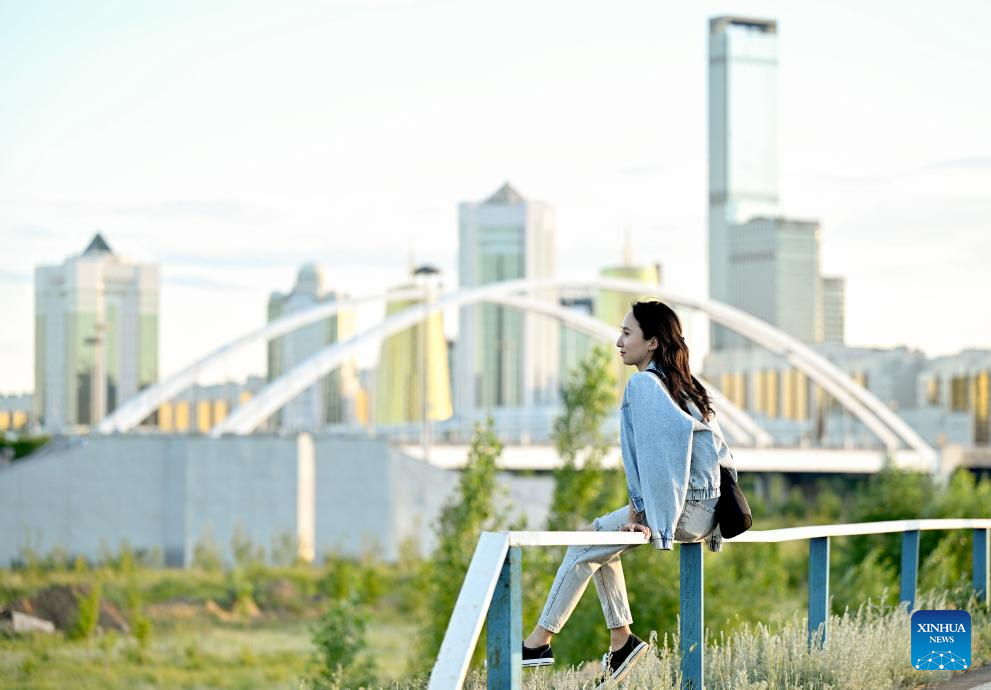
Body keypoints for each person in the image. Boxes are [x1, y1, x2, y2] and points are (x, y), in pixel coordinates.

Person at [520, 299, 737, 685]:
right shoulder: (683, 383)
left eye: (627, 333)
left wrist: (651, 517)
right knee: (603, 541)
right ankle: (621, 642)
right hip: (704, 507)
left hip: (681, 508)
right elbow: (717, 451)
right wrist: (643, 512)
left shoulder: (645, 385)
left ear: (651, 341)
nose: (618, 341)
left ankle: (538, 643)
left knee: (585, 544)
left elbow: (657, 460)